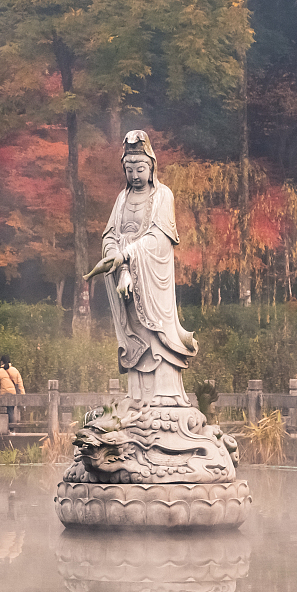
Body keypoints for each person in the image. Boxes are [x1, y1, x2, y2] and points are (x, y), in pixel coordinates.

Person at [85, 129, 197, 401]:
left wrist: (126, 256)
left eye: (140, 168)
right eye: (129, 169)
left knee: (155, 334)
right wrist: (122, 269)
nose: (135, 175)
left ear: (152, 167)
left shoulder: (163, 196)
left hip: (151, 280)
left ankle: (166, 395)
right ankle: (137, 397)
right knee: (134, 334)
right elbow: (110, 235)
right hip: (127, 280)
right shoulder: (121, 199)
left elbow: (159, 238)